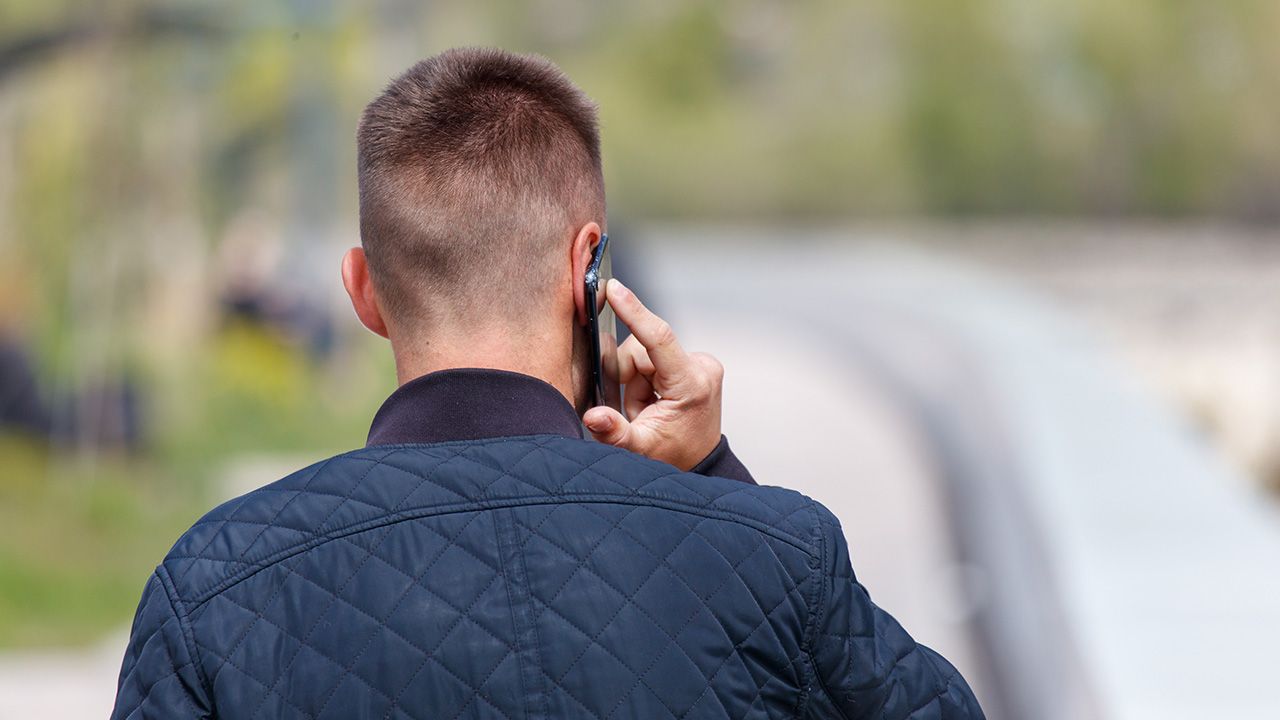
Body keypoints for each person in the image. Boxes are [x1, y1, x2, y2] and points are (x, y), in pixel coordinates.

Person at [111, 47, 984, 719]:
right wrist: (713, 472)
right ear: (588, 271)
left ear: (363, 291)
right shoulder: (778, 558)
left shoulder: (212, 589)